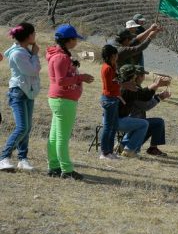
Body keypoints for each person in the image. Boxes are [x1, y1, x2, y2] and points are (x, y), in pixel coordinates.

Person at [46, 24, 94, 180]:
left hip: (61, 100)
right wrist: (81, 77)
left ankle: (53, 166)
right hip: (63, 100)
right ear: (69, 40)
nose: (76, 42)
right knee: (62, 137)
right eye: (75, 39)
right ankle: (66, 170)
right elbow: (61, 81)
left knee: (54, 136)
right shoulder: (60, 57)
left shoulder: (62, 55)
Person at [0, 23, 41, 172]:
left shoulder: (24, 50)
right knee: (22, 127)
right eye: (34, 33)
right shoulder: (18, 53)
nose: (35, 35)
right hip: (18, 92)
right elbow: (33, 70)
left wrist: (33, 53)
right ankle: (3, 157)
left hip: (27, 91)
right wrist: (35, 55)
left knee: (27, 127)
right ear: (28, 36)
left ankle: (22, 159)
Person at [121, 66, 171, 156]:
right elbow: (145, 106)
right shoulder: (133, 89)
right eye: (143, 75)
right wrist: (159, 97)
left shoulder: (132, 87)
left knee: (149, 123)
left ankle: (123, 144)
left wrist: (157, 96)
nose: (144, 77)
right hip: (132, 120)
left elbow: (145, 98)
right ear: (138, 76)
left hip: (131, 119)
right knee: (158, 122)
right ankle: (148, 148)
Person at [98, 45, 122, 160]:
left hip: (114, 98)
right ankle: (104, 152)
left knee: (114, 126)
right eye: (116, 55)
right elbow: (109, 86)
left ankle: (110, 151)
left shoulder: (113, 66)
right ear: (112, 56)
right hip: (109, 99)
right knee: (108, 126)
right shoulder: (107, 68)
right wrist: (119, 83)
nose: (117, 57)